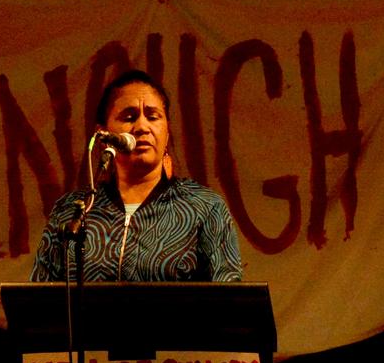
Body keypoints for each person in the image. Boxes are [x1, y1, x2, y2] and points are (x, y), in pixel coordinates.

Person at [29, 70, 242, 283]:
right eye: (129, 117)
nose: (142, 127)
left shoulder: (203, 207)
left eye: (153, 116)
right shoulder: (71, 211)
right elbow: (35, 303)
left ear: (166, 132)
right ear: (103, 135)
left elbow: (231, 301)